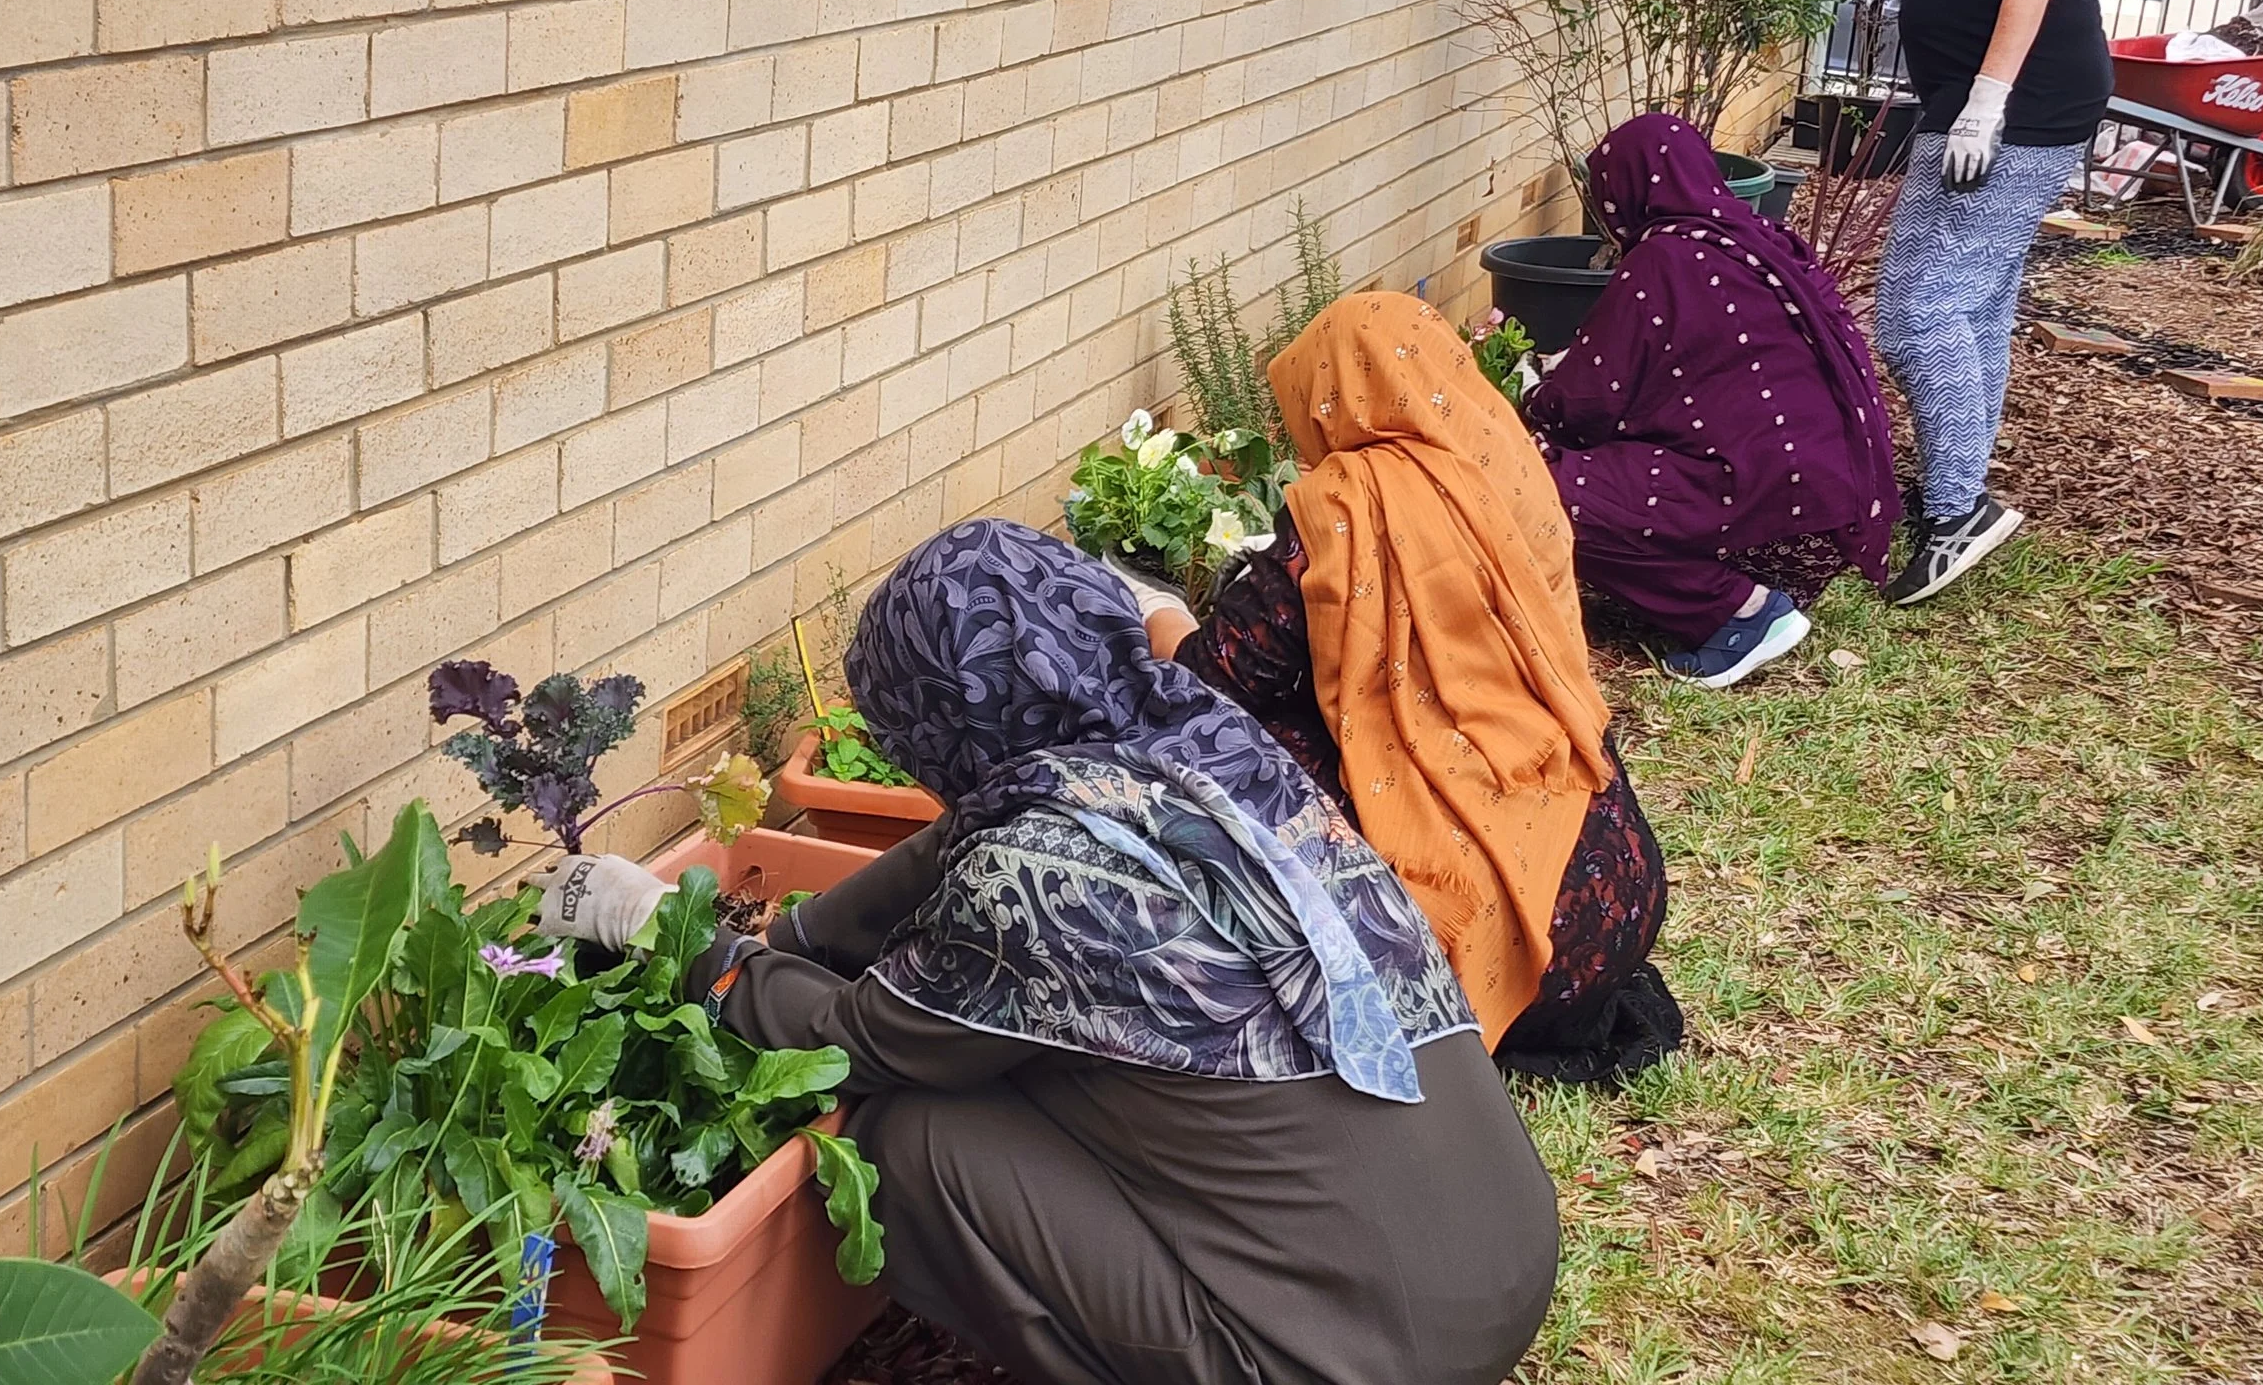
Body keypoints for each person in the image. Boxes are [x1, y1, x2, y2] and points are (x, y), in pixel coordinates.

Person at [532, 520, 1562, 1385]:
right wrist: (798, 932)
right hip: (1505, 1265)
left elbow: (853, 1041)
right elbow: (968, 837)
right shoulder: (1214, 749)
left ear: (938, 719)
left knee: (910, 1136)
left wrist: (682, 940)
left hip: (1347, 1359)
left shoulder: (1036, 876)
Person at [1129, 291, 1683, 1084]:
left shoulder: (1346, 506)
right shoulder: (1500, 467)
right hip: (1615, 899)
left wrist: (1156, 614)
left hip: (1509, 934)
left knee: (1235, 750)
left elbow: (1217, 680)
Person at [1518, 115, 1899, 686]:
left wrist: (1531, 392)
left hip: (1762, 524)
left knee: (1534, 487)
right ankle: (1738, 587)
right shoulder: (1760, 240)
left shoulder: (1664, 261)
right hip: (1823, 525)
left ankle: (1740, 613)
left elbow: (1585, 406)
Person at [1873, 0, 2110, 603]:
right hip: (2010, 98)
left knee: (1917, 315)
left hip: (2012, 105)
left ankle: (1959, 512)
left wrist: (1986, 100)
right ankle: (1952, 489)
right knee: (1975, 309)